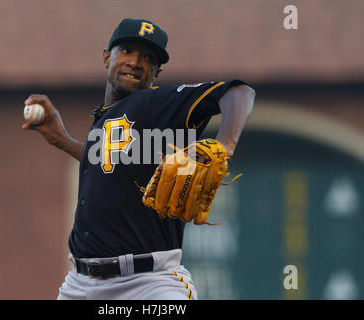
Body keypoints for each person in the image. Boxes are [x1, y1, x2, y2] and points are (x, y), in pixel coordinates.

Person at [22, 18, 255, 300]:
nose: (136, 61)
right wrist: (64, 141)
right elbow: (109, 166)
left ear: (157, 72)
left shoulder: (158, 103)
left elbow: (238, 91)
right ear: (107, 57)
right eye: (127, 51)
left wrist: (225, 146)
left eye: (148, 57)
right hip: (80, 285)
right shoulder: (105, 117)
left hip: (148, 284)